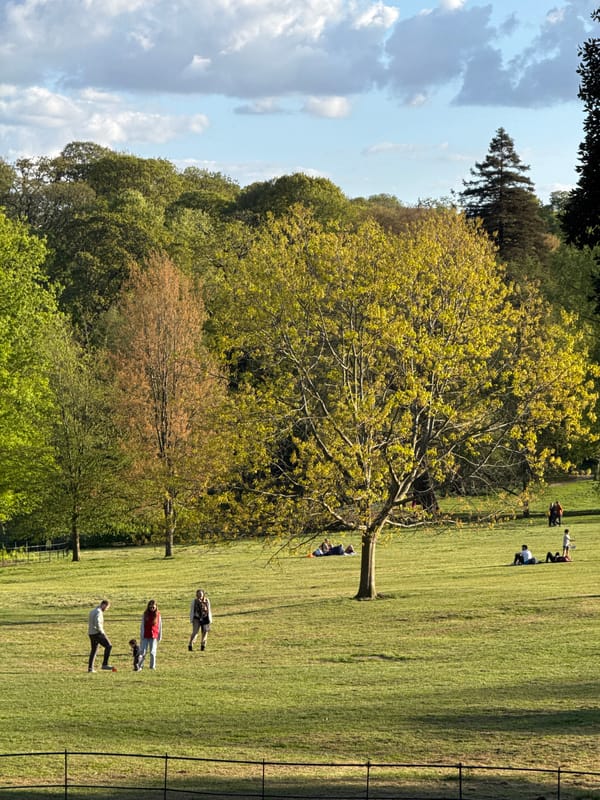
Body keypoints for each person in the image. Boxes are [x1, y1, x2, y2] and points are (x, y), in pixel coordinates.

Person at [88, 599, 113, 672]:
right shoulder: (99, 612)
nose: (106, 609)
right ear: (103, 605)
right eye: (107, 607)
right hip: (97, 633)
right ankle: (105, 664)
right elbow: (97, 623)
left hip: (91, 633)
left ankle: (90, 668)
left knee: (94, 650)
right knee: (109, 646)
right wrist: (102, 632)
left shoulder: (92, 611)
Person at [139, 599, 162, 670]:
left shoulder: (158, 615)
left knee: (152, 652)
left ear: (156, 607)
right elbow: (142, 625)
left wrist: (159, 636)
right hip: (146, 635)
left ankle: (152, 666)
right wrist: (141, 635)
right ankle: (140, 666)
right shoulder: (145, 614)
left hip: (154, 635)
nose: (152, 608)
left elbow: (160, 625)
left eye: (153, 607)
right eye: (150, 607)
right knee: (143, 651)